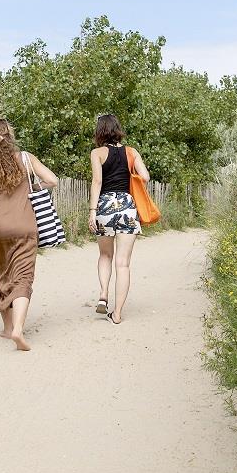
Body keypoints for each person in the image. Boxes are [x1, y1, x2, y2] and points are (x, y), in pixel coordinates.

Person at [0, 119, 58, 352]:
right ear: (10, 136)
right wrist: (33, 189)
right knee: (23, 276)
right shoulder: (25, 159)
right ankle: (18, 329)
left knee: (2, 274)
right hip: (24, 227)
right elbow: (52, 180)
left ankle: (7, 329)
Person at [87, 112, 149, 325]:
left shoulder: (97, 153)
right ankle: (118, 313)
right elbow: (146, 177)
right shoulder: (132, 152)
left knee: (105, 255)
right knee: (123, 264)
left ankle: (103, 294)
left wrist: (92, 211)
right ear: (117, 130)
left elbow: (97, 181)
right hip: (127, 207)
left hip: (104, 206)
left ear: (100, 131)